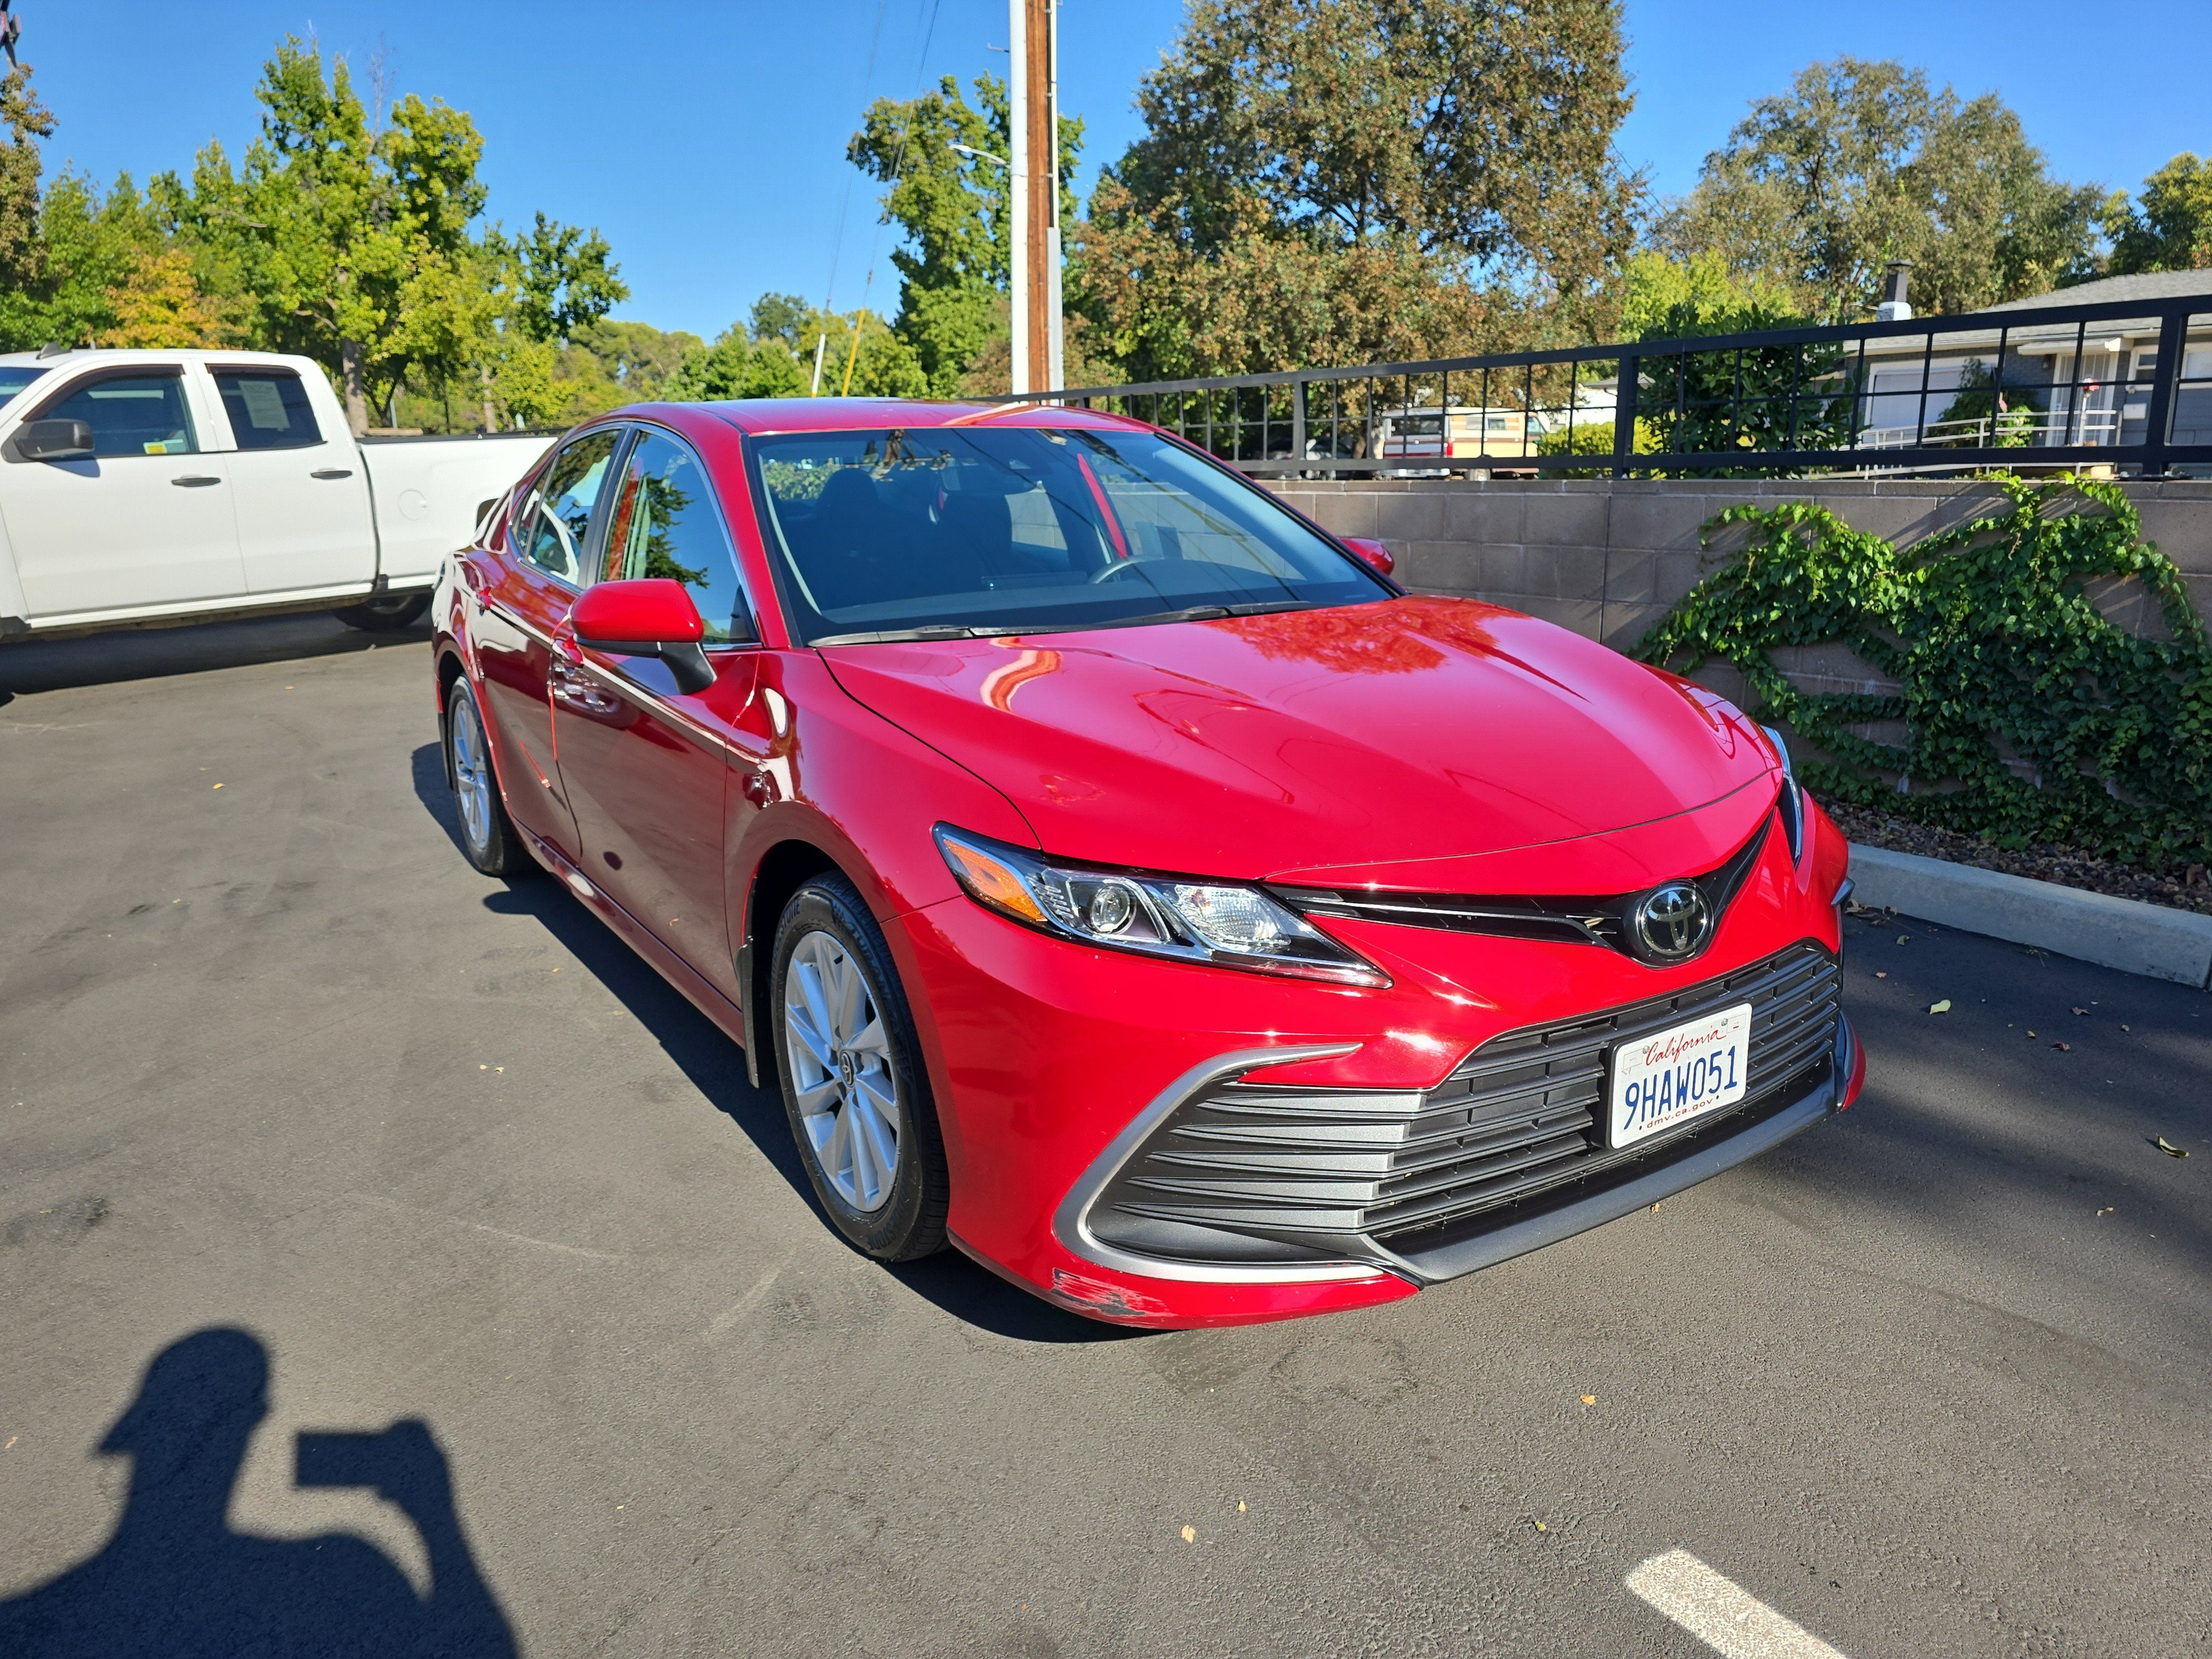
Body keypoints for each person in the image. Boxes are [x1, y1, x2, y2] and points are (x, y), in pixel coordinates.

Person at [0, 1327, 517, 1657]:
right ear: (255, 1420)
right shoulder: (346, 1571)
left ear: (130, 1435)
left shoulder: (19, 1627)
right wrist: (435, 1516)